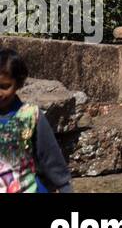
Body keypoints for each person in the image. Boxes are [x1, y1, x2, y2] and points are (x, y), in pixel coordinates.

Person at [0, 48, 73, 193]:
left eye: (5, 87)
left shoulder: (30, 116)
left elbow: (51, 158)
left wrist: (64, 187)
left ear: (18, 84)